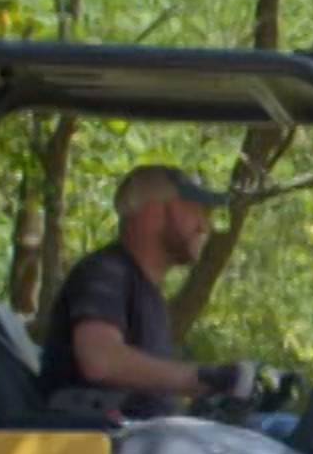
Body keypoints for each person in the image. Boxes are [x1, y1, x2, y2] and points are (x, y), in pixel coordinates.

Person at [39, 163, 265, 416]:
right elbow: (99, 361)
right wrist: (201, 378)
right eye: (196, 210)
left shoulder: (147, 292)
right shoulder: (105, 273)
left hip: (158, 442)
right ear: (154, 212)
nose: (205, 225)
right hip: (118, 448)